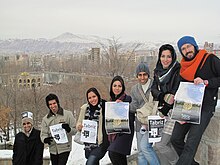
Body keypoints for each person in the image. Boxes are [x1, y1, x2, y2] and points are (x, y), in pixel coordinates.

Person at [170, 36, 220, 165]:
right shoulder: (183, 67)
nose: (187, 50)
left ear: (194, 46)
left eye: (188, 46)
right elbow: (182, 89)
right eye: (183, 49)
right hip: (188, 107)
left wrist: (206, 82)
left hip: (205, 107)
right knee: (175, 138)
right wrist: (179, 108)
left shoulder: (209, 59)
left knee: (191, 143)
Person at [151, 44, 180, 165]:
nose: (165, 59)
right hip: (162, 109)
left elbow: (175, 93)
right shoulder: (157, 72)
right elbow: (153, 90)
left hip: (172, 112)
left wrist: (165, 107)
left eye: (168, 56)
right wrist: (163, 96)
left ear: (173, 57)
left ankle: (177, 162)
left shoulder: (178, 70)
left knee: (161, 144)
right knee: (157, 147)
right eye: (163, 56)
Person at [130, 62, 160, 165]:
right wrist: (122, 107)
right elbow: (134, 105)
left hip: (153, 121)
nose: (142, 77)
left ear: (148, 74)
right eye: (140, 75)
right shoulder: (134, 89)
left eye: (144, 74)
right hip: (140, 122)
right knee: (141, 152)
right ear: (137, 76)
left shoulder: (155, 85)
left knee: (145, 147)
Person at [76, 87, 109, 165]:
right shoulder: (84, 108)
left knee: (90, 163)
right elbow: (79, 122)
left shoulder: (104, 106)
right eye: (89, 98)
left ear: (98, 96)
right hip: (88, 143)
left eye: (94, 96)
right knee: (94, 162)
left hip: (101, 142)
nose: (92, 99)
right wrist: (79, 126)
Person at [40, 93, 76, 165]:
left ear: (58, 102)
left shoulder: (68, 114)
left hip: (65, 147)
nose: (53, 106)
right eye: (50, 104)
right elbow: (43, 134)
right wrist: (45, 139)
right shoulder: (45, 119)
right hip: (53, 148)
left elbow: (75, 130)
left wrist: (69, 129)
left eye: (54, 103)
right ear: (48, 106)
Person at [107, 75, 135, 165]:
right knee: (120, 157)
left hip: (125, 133)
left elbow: (132, 117)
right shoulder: (111, 101)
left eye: (119, 86)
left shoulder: (127, 99)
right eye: (115, 85)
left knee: (113, 153)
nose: (117, 88)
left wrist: (123, 107)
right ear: (111, 87)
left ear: (123, 88)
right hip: (114, 132)